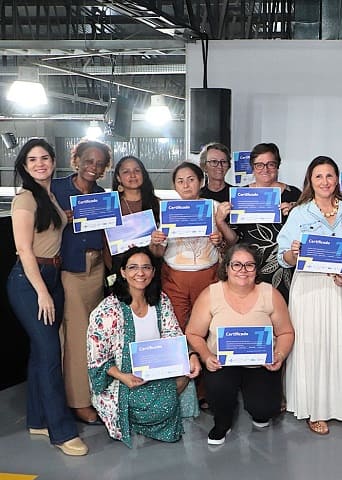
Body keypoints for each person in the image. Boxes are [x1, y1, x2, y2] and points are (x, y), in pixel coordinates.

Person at [7, 138, 88, 456]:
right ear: (24, 167)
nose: (40, 163)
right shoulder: (25, 199)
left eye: (45, 158)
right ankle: (62, 432)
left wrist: (65, 213)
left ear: (54, 161)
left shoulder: (49, 196)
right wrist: (42, 292)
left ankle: (38, 419)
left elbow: (52, 227)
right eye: (32, 160)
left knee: (41, 354)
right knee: (50, 353)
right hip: (31, 282)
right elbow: (24, 249)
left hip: (52, 276)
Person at [86, 247, 201, 447]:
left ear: (153, 272)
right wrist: (124, 377)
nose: (140, 273)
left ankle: (155, 415)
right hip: (126, 377)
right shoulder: (107, 310)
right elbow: (97, 359)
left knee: (184, 377)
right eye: (133, 267)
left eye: (146, 267)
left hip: (159, 370)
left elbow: (174, 334)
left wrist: (190, 354)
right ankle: (138, 421)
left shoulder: (161, 300)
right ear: (122, 272)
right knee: (161, 405)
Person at [277, 156, 342, 435]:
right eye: (318, 176)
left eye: (329, 176)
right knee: (311, 346)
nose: (324, 182)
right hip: (309, 289)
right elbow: (282, 256)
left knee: (337, 344)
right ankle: (313, 407)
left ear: (337, 179)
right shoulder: (299, 213)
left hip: (339, 287)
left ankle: (338, 404)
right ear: (310, 181)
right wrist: (294, 252)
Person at [186, 243, 295, 445]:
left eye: (249, 265)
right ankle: (222, 422)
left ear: (256, 269)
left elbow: (286, 332)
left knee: (265, 410)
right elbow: (193, 333)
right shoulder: (211, 294)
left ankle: (259, 411)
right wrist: (206, 356)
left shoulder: (269, 293)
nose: (243, 271)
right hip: (221, 363)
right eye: (236, 265)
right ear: (226, 268)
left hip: (260, 364)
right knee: (219, 394)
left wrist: (279, 355)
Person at [51, 138, 112, 425]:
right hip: (71, 271)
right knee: (76, 337)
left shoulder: (102, 194)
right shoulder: (56, 190)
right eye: (89, 161)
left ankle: (95, 394)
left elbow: (109, 236)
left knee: (94, 336)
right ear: (76, 159)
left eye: (100, 164)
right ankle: (78, 402)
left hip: (97, 269)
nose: (94, 167)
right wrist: (62, 218)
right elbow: (38, 225)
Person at [154, 162, 235, 330]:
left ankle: (203, 356)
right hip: (175, 278)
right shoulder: (169, 210)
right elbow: (159, 251)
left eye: (191, 179)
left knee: (208, 324)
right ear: (175, 186)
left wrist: (220, 239)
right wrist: (155, 242)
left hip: (208, 275)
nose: (186, 185)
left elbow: (232, 242)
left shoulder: (215, 206)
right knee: (176, 326)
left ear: (201, 181)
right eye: (180, 181)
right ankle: (187, 356)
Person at [227, 142, 301, 301]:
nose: (265, 169)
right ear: (252, 167)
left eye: (270, 164)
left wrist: (295, 210)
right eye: (259, 165)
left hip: (284, 266)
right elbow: (232, 237)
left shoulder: (294, 194)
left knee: (283, 311)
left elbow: (306, 228)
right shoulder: (240, 195)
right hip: (250, 266)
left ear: (278, 166)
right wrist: (220, 220)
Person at [105, 155, 162, 273]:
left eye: (137, 170)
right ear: (118, 177)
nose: (132, 175)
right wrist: (112, 270)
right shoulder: (110, 206)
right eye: (126, 171)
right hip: (121, 268)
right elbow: (105, 243)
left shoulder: (157, 204)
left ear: (143, 175)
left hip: (151, 268)